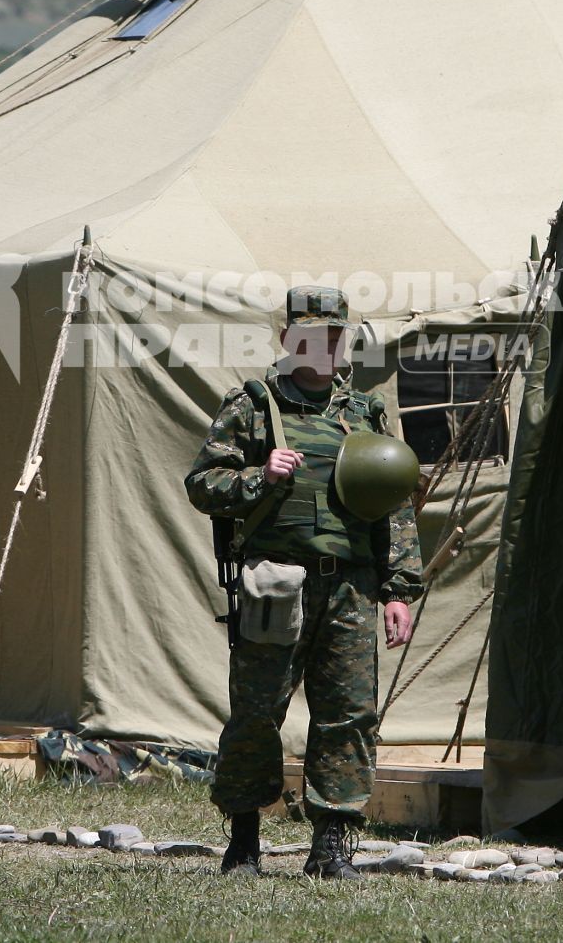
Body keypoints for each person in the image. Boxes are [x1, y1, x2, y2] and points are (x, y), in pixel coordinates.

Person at [184, 285, 423, 879]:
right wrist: (258, 477)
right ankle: (244, 840)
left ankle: (332, 845)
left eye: (334, 337)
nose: (323, 347)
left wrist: (399, 590)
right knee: (257, 713)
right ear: (290, 339)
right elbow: (202, 485)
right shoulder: (253, 405)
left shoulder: (363, 413)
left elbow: (392, 508)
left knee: (348, 714)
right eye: (311, 337)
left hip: (351, 588)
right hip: (277, 586)